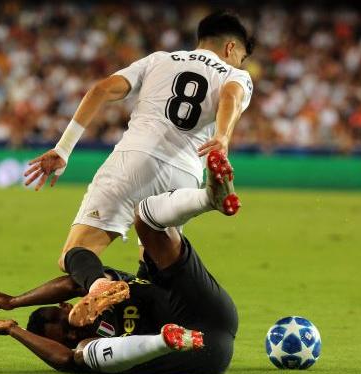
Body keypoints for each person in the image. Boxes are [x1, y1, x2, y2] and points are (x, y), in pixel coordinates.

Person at [22, 11, 254, 289]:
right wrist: (222, 136)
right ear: (230, 48)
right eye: (241, 56)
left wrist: (63, 148)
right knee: (157, 262)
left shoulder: (159, 60)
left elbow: (101, 89)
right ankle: (143, 324)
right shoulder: (235, 74)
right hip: (185, 174)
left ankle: (99, 287)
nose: (239, 62)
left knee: (77, 253)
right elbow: (230, 95)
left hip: (133, 161)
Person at [0, 151, 240, 374]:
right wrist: (13, 330)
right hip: (201, 352)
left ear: (65, 306)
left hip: (202, 306)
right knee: (82, 355)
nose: (73, 334)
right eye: (67, 339)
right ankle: (163, 341)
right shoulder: (87, 346)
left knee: (144, 218)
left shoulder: (110, 290)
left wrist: (15, 301)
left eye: (66, 324)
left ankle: (210, 198)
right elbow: (63, 359)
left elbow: (73, 281)